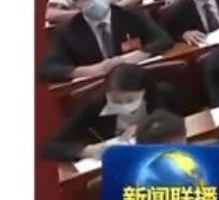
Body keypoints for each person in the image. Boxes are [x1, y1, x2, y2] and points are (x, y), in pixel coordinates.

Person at [38, 0, 173, 83]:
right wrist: (91, 70)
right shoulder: (66, 30)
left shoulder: (131, 15)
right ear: (75, 4)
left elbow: (163, 39)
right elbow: (48, 69)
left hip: (137, 76)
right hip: (99, 87)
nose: (94, 1)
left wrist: (129, 58)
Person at [38, 63, 175, 162]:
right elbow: (49, 147)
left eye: (130, 100)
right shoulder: (96, 104)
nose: (123, 106)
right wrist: (86, 151)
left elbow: (176, 121)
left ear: (144, 92)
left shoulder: (161, 93)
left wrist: (147, 126)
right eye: (116, 100)